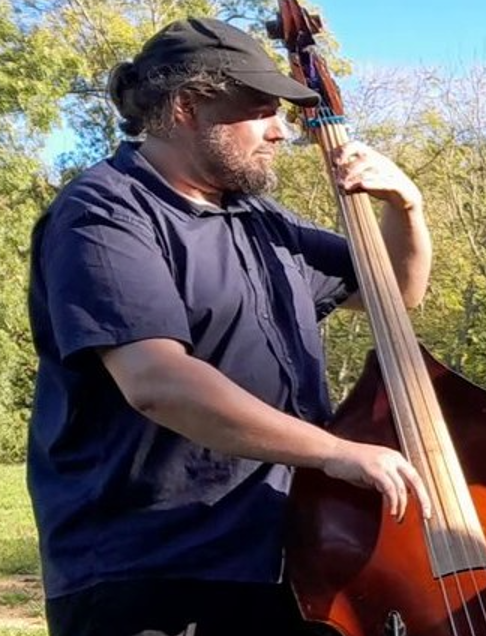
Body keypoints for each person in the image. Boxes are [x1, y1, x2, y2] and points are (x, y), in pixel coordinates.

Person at [26, 17, 434, 636]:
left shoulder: (262, 221)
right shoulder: (103, 212)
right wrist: (336, 452)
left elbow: (394, 294)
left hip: (281, 563)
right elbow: (156, 380)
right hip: (151, 576)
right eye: (261, 111)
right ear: (187, 106)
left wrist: (406, 206)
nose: (279, 132)